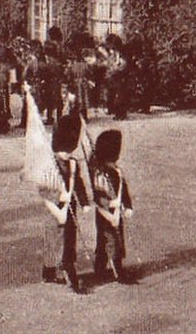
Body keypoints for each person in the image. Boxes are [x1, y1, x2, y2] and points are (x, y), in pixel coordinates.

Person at [41, 113, 91, 294]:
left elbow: (78, 183)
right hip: (55, 208)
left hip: (70, 209)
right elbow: (44, 188)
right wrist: (56, 202)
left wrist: (84, 201)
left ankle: (68, 267)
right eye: (65, 151)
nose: (67, 154)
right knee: (54, 239)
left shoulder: (72, 163)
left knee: (69, 237)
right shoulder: (50, 165)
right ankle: (49, 270)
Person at [90, 128, 135, 284]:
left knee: (108, 239)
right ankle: (117, 271)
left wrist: (126, 204)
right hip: (106, 211)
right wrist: (114, 203)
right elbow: (98, 194)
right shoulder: (101, 171)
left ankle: (101, 268)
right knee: (112, 239)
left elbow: (123, 190)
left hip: (110, 211)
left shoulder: (112, 170)